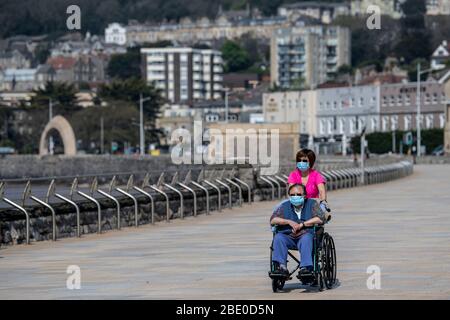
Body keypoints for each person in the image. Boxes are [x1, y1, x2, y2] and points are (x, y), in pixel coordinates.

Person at [270, 184, 326, 277]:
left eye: (298, 194)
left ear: (304, 195)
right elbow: (273, 220)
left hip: (305, 235)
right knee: (278, 237)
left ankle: (305, 268)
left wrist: (303, 224)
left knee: (306, 238)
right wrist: (288, 221)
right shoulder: (284, 206)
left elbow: (320, 218)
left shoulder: (312, 204)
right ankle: (281, 267)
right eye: (292, 195)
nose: (295, 197)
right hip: (288, 236)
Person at [287, 148, 330, 213]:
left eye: (304, 161)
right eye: (299, 160)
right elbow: (291, 191)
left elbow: (321, 191)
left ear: (311, 162)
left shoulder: (316, 175)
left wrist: (323, 202)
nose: (301, 163)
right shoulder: (293, 175)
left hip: (312, 206)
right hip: (296, 205)